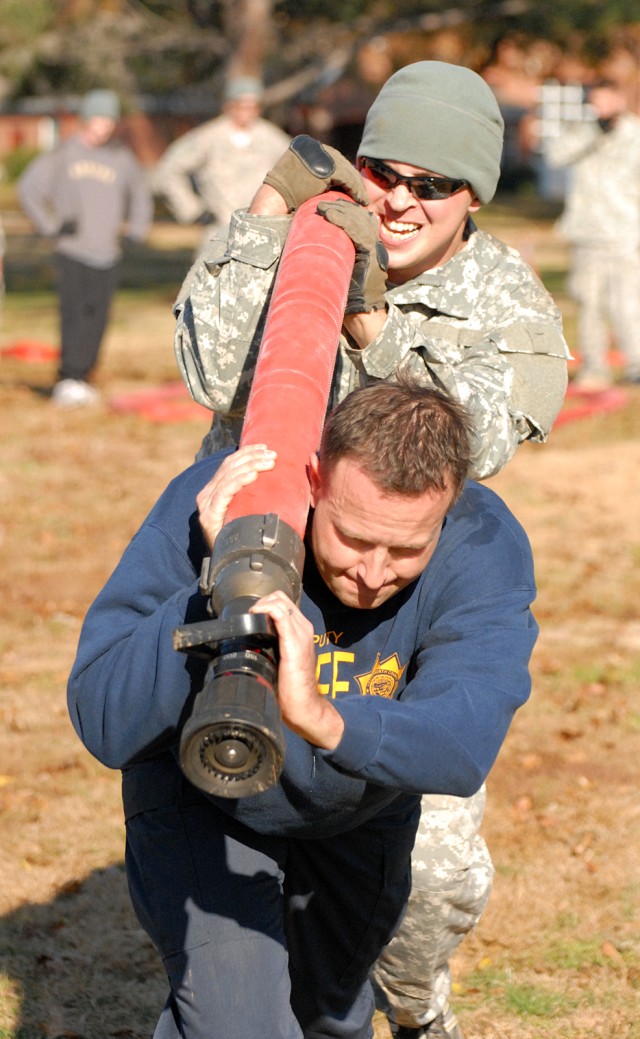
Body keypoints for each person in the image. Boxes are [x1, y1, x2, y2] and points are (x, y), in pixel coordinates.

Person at [172, 61, 570, 1037]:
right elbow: (209, 372)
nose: (399, 200)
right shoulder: (307, 235)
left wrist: (371, 325)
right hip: (267, 558)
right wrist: (271, 211)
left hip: (396, 605)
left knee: (425, 880)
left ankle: (413, 1004)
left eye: (432, 184)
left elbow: (474, 444)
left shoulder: (507, 301)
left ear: (472, 191)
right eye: (383, 170)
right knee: (221, 814)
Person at [68, 380, 538, 1039]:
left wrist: (320, 716)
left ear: (450, 507)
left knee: (331, 1021)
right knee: (242, 1025)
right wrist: (217, 579)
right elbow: (101, 717)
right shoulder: (222, 500)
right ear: (315, 477)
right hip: (205, 794)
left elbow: (460, 744)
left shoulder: (482, 546)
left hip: (355, 810)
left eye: (406, 549)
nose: (373, 573)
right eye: (352, 536)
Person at [18, 89, 153, 407]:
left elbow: (141, 194)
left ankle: (86, 375)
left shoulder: (121, 158)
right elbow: (29, 189)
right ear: (85, 120)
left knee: (98, 316)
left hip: (108, 252)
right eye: (98, 120)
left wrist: (136, 231)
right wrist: (50, 226)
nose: (103, 127)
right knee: (74, 314)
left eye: (109, 121)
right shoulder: (64, 155)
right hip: (72, 250)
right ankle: (68, 378)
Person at [544, 78, 640, 389]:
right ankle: (594, 368)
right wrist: (591, 131)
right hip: (587, 231)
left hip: (625, 231)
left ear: (619, 99)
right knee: (588, 301)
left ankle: (636, 365)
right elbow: (554, 156)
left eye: (606, 100)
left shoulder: (634, 135)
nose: (601, 107)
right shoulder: (582, 132)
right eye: (595, 102)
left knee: (627, 301)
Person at [153, 75, 291, 244]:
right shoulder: (209, 137)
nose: (247, 112)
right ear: (229, 106)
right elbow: (170, 169)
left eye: (253, 106)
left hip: (262, 233)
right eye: (241, 105)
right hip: (219, 232)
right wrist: (192, 210)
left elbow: (297, 170)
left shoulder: (271, 138)